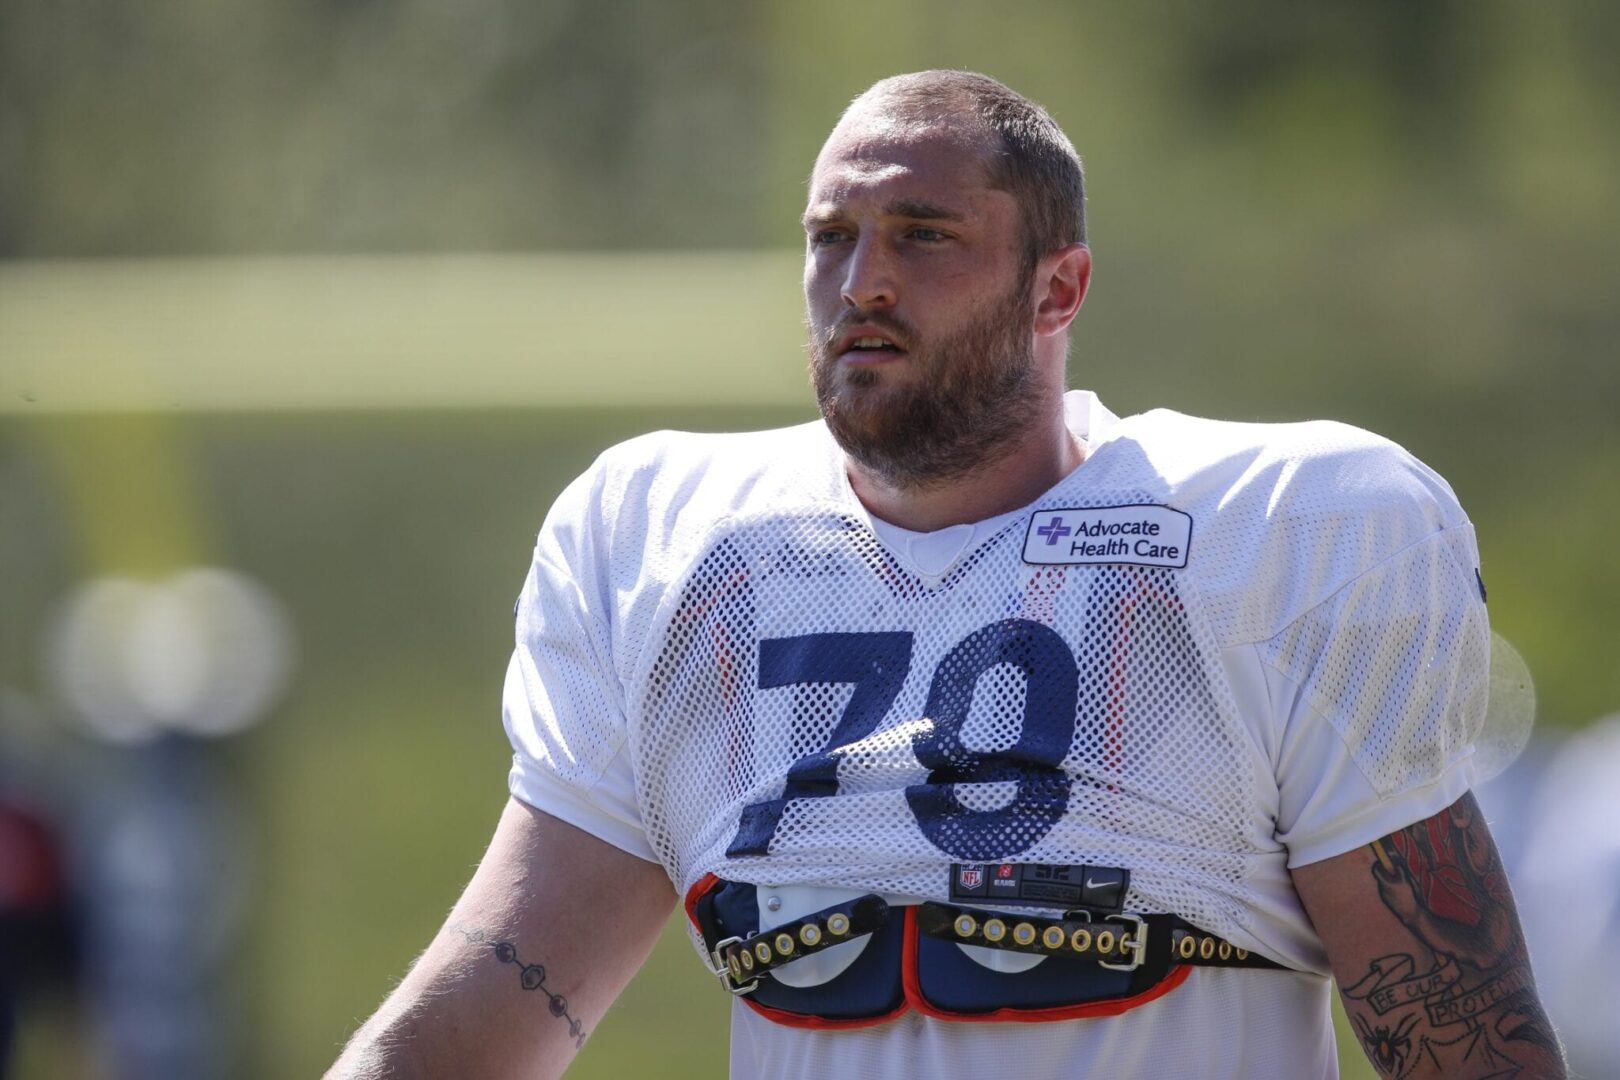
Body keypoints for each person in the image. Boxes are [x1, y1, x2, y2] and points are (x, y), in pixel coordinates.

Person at [327, 71, 1563, 1079]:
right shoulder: (664, 548)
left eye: (923, 235)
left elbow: (1461, 1036)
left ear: (1057, 288)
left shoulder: (1282, 529)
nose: (862, 281)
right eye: (832, 238)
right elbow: (488, 1009)